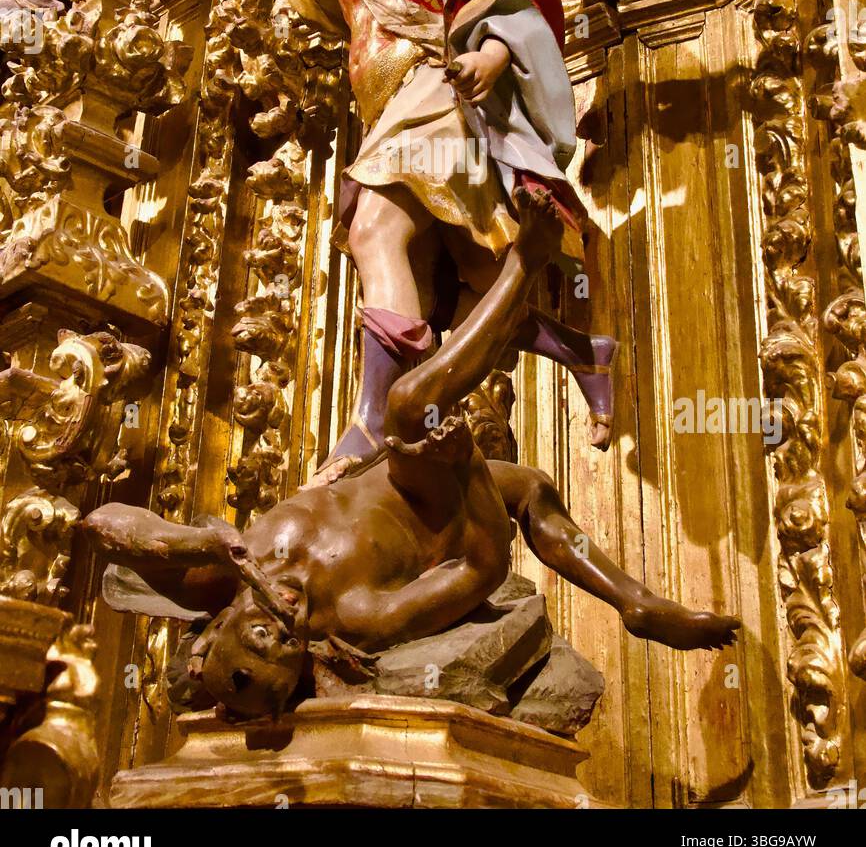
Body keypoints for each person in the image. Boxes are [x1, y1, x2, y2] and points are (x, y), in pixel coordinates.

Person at [83, 188, 738, 722]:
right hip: (442, 510)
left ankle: (634, 601)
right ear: (312, 659)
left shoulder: (224, 575)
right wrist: (466, 468)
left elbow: (105, 526)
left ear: (208, 646)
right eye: (290, 644)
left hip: (394, 470)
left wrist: (193, 544)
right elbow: (482, 569)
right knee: (412, 404)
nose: (279, 626)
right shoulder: (359, 618)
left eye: (260, 634)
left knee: (532, 489)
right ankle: (527, 263)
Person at [180, 0, 617, 472]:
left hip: (440, 89)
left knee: (374, 229)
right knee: (477, 290)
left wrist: (493, 54)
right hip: (388, 110)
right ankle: (583, 352)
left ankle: (372, 420)